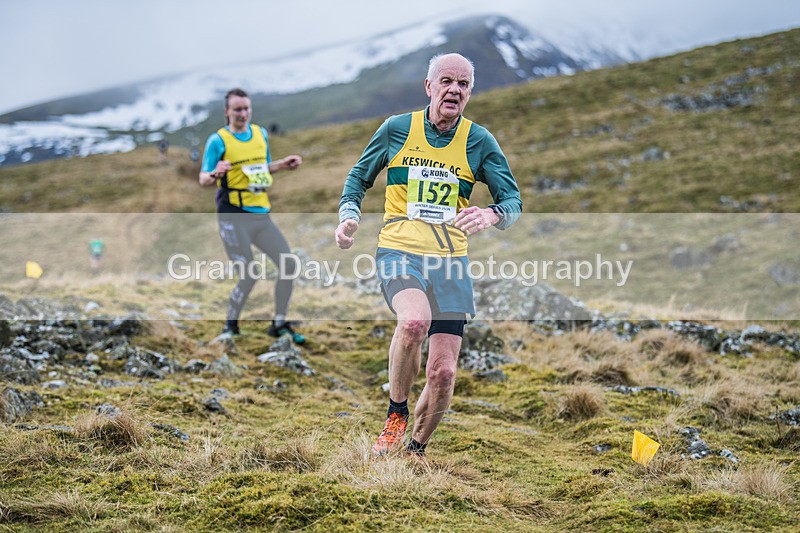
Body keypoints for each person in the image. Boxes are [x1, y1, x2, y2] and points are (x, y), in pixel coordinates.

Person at [335, 53, 522, 456]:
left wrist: (491, 214)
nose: (454, 89)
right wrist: (348, 217)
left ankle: (415, 450)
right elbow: (357, 179)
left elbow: (513, 201)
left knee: (443, 372)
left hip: (451, 263)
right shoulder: (396, 129)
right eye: (446, 81)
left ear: (470, 92)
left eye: (464, 84)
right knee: (415, 321)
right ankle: (396, 414)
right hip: (400, 250)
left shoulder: (479, 141)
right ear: (429, 86)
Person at [199, 88, 305, 343]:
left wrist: (281, 165)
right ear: (227, 112)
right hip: (233, 215)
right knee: (249, 273)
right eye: (237, 109)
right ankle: (230, 326)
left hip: (260, 213)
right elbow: (203, 178)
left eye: (246, 108)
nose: (243, 113)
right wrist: (215, 173)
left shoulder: (260, 134)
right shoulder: (218, 141)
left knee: (288, 265)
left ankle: (279, 324)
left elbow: (261, 168)